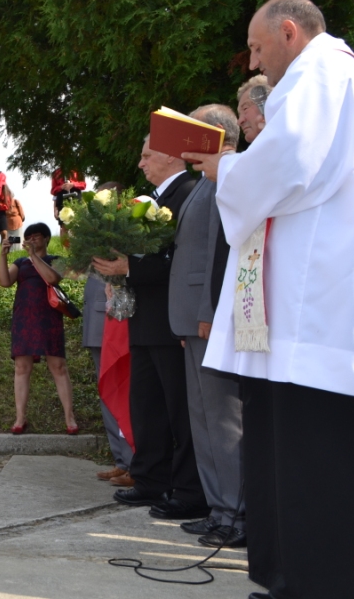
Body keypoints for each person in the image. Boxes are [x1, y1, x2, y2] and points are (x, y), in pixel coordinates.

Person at [184, 0, 354, 599]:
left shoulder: (320, 72)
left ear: (289, 32)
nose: (254, 61)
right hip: (314, 301)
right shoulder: (337, 77)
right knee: (295, 455)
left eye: (258, 47)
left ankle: (317, 583)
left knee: (316, 461)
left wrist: (227, 171)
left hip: (314, 308)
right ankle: (292, 578)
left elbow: (290, 161)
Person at [93, 137, 205, 521]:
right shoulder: (154, 200)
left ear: (172, 154)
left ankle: (190, 489)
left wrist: (130, 269)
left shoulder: (189, 192)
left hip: (170, 321)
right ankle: (150, 478)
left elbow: (180, 260)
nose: (140, 164)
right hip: (144, 318)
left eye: (146, 155)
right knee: (147, 406)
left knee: (179, 410)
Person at [166, 105, 246, 548]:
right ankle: (220, 509)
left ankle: (236, 512)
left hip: (208, 317)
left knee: (223, 419)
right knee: (203, 420)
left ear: (213, 135)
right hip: (192, 320)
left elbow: (220, 252)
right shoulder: (206, 181)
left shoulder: (227, 177)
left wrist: (208, 312)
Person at [0, 223, 76, 434]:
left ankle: (70, 418)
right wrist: (3, 256)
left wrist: (34, 256)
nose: (32, 239)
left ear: (47, 239)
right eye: (28, 236)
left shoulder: (55, 260)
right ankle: (20, 418)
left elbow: (52, 278)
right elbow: (5, 281)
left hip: (48, 317)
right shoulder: (20, 262)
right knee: (21, 367)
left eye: (37, 236)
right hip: (24, 317)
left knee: (58, 366)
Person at [82, 183, 134, 486]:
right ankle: (120, 459)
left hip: (117, 318)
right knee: (107, 393)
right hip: (95, 320)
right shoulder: (91, 233)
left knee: (124, 391)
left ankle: (134, 462)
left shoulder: (127, 229)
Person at [51, 168, 85, 244]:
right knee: (64, 226)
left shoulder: (78, 170)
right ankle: (66, 249)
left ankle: (78, 247)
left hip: (76, 199)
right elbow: (53, 190)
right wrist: (61, 187)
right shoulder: (56, 172)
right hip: (62, 201)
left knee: (78, 223)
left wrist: (73, 184)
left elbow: (83, 184)